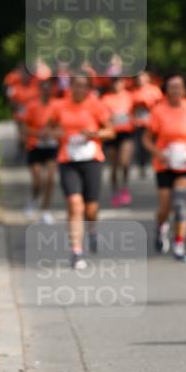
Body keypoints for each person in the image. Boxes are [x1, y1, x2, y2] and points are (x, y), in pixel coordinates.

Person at [44, 74, 115, 269]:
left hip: (92, 159)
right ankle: (76, 251)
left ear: (89, 89)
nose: (79, 90)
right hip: (68, 160)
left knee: (90, 209)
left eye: (83, 86)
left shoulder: (96, 105)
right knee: (74, 204)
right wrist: (55, 133)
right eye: (76, 85)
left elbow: (111, 131)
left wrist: (94, 134)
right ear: (70, 87)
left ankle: (92, 230)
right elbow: (47, 129)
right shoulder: (59, 105)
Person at [142, 74, 186, 263]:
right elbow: (146, 138)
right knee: (164, 207)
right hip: (164, 163)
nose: (175, 90)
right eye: (171, 87)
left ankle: (179, 245)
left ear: (185, 90)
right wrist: (157, 152)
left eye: (179, 87)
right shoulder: (158, 110)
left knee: (179, 204)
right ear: (166, 90)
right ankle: (161, 226)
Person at [21, 78, 58, 222]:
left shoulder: (57, 106)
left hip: (51, 147)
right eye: (44, 88)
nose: (47, 91)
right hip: (35, 146)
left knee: (50, 179)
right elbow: (24, 128)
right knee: (38, 181)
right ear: (40, 90)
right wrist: (38, 134)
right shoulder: (31, 106)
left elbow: (62, 126)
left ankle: (46, 209)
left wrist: (53, 133)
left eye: (49, 88)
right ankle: (33, 199)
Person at [101, 76, 135, 206]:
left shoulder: (130, 96)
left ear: (123, 83)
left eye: (119, 82)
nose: (116, 84)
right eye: (114, 82)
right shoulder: (106, 99)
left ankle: (124, 187)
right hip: (111, 134)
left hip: (126, 133)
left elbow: (137, 111)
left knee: (125, 162)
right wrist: (110, 120)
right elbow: (103, 116)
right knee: (114, 166)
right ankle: (115, 192)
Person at [130, 71, 163, 177]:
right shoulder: (133, 91)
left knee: (153, 143)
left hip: (152, 122)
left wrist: (148, 105)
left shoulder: (155, 90)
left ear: (148, 78)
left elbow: (161, 105)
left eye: (142, 78)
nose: (140, 80)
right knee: (140, 145)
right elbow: (130, 108)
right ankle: (142, 165)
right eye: (138, 78)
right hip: (139, 122)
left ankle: (155, 162)